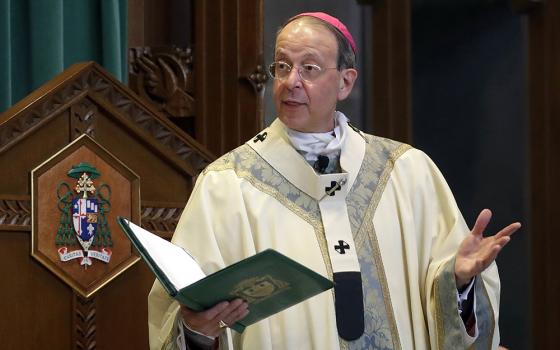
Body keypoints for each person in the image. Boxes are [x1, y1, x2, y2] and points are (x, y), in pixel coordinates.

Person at [148, 12, 520, 350]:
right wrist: (197, 330)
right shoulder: (227, 185)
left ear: (345, 82)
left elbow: (455, 318)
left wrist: (457, 282)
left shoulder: (407, 172)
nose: (291, 82)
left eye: (309, 68)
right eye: (282, 66)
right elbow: (183, 316)